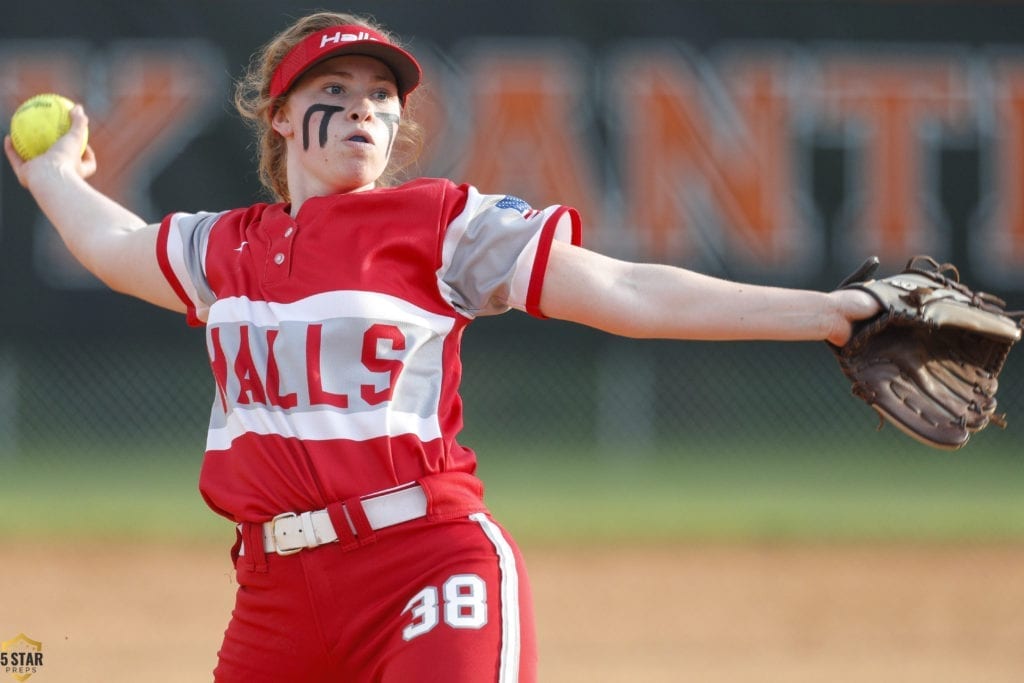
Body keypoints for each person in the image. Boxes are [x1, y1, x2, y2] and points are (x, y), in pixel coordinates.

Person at [4, 10, 879, 682]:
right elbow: (114, 248)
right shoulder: (223, 247)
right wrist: (47, 170)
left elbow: (622, 288)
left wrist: (833, 312)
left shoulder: (438, 223)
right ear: (279, 117)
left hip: (425, 566)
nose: (362, 109)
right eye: (332, 90)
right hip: (272, 596)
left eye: (381, 95)